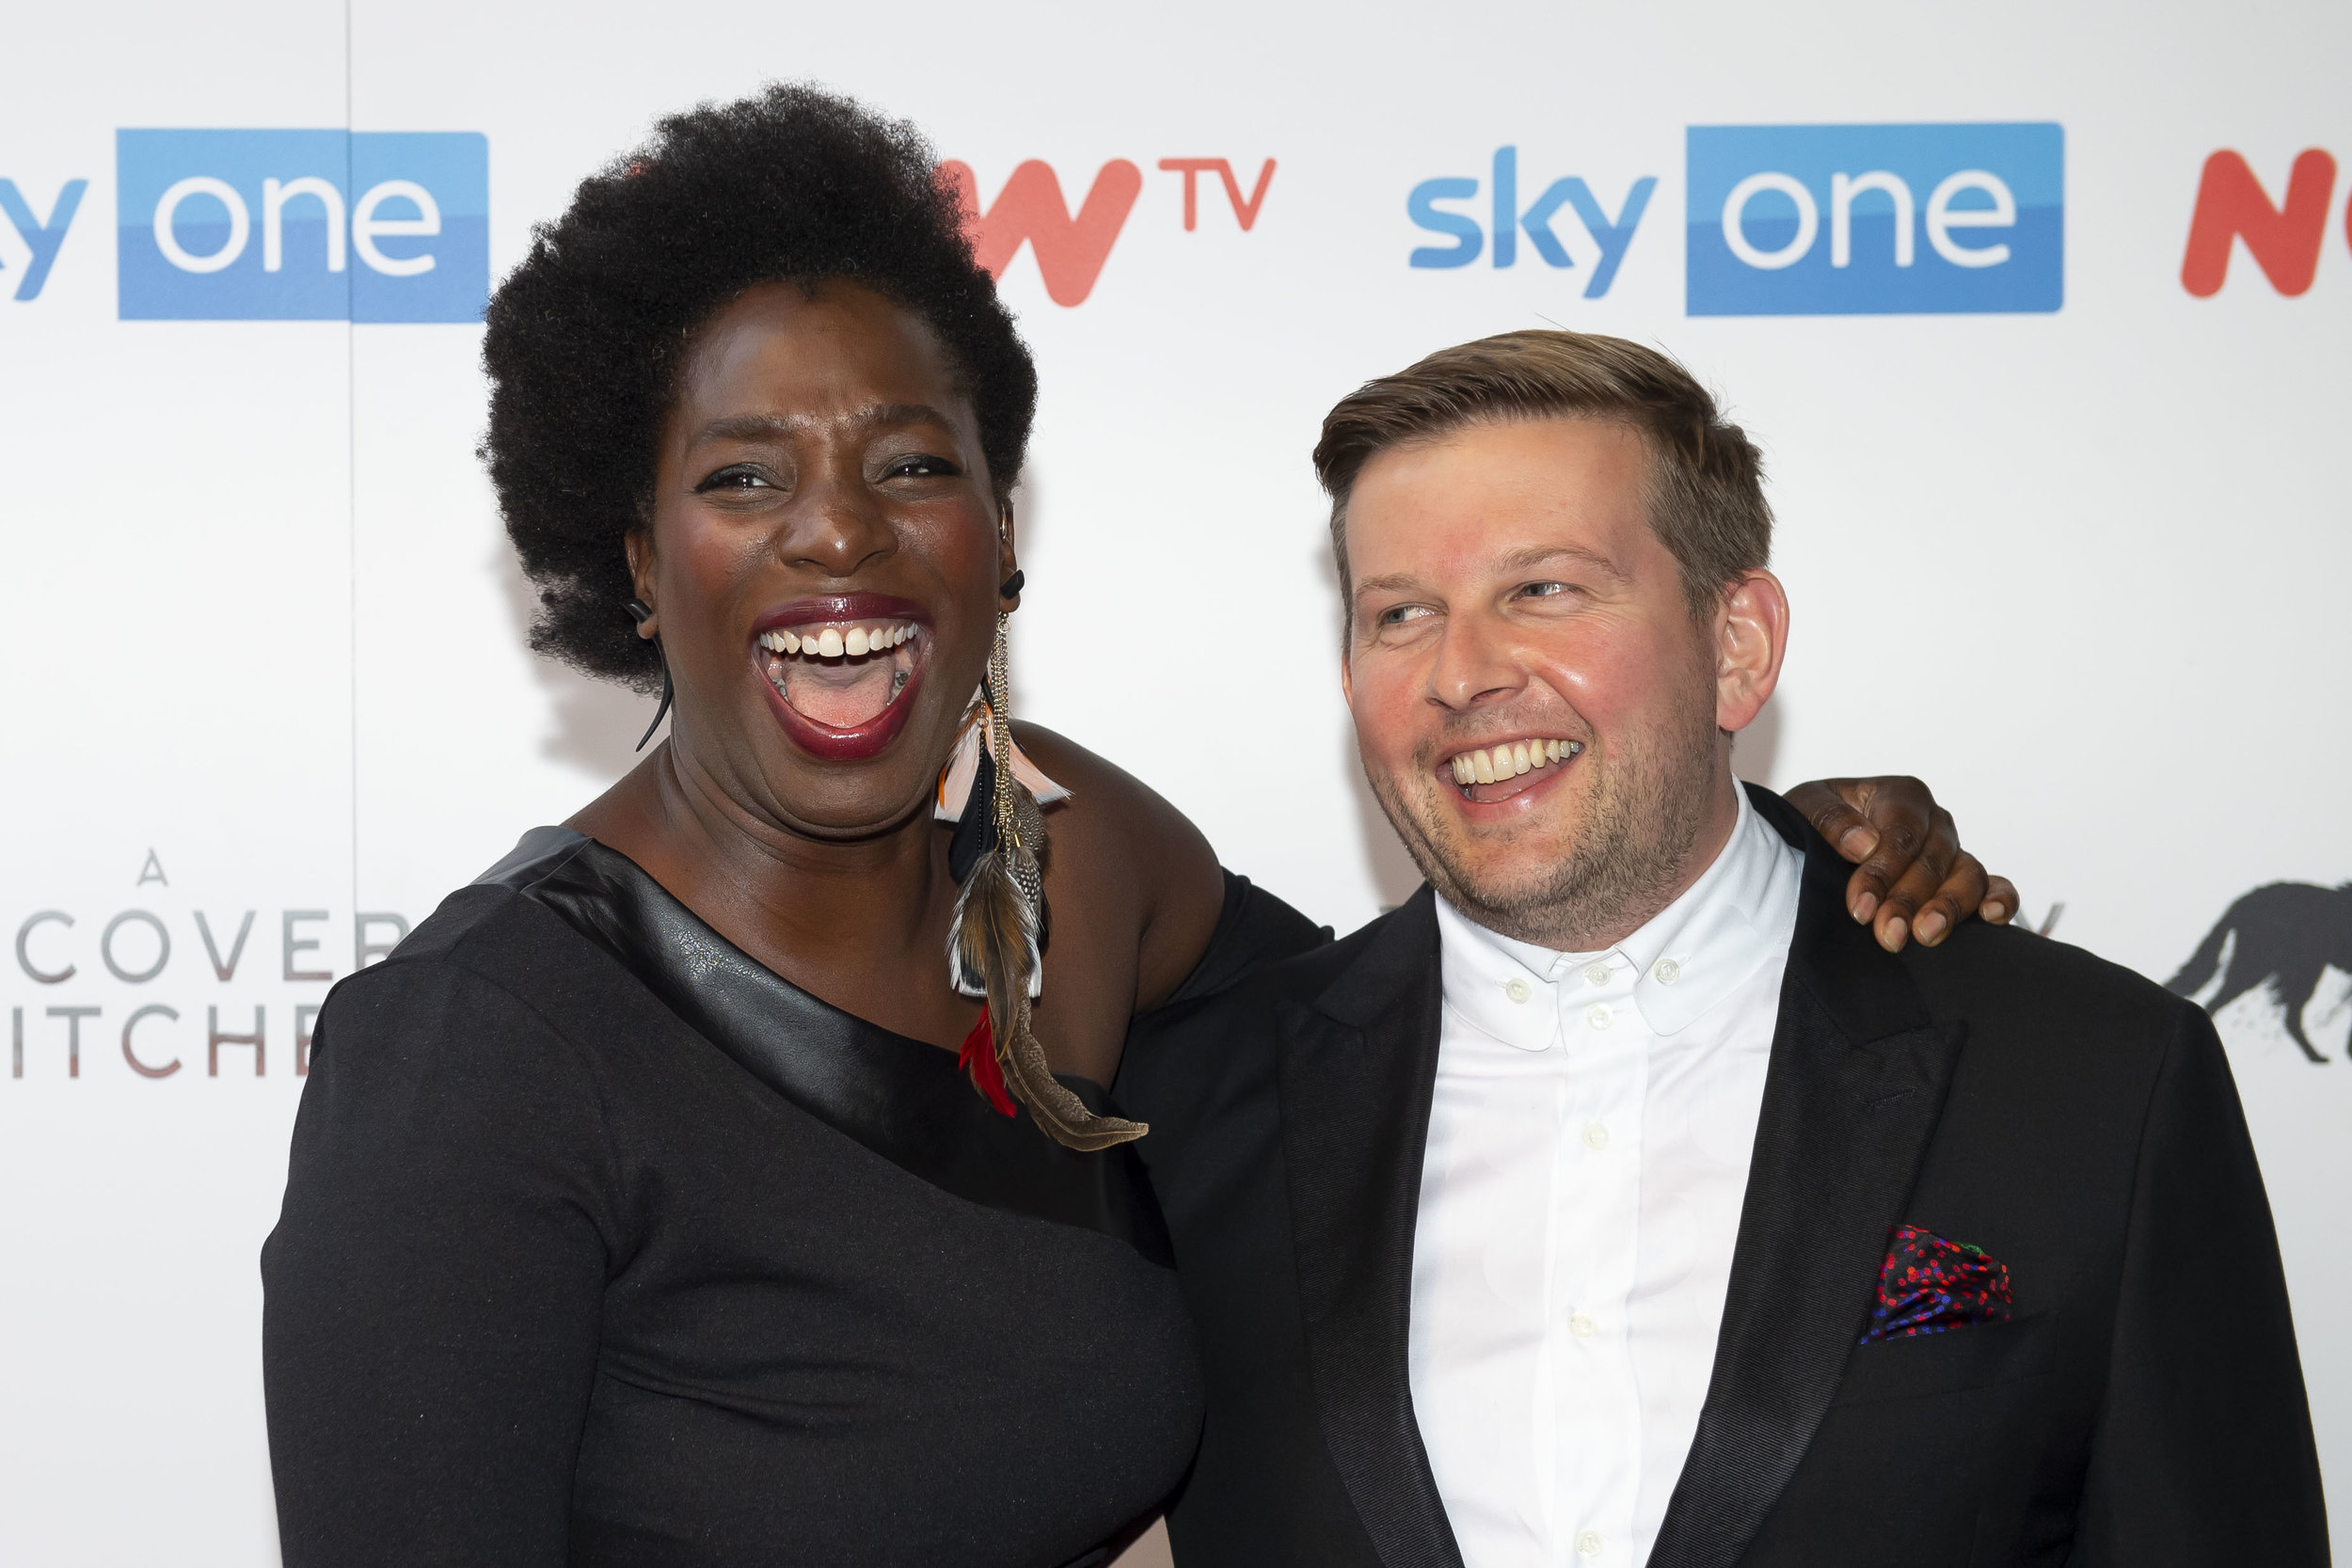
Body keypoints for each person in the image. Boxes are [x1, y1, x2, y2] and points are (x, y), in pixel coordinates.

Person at [260, 87, 2014, 1568]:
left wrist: (1769, 852)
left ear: (1000, 531)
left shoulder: (1071, 851)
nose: (838, 536)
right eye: (741, 478)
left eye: (912, 463)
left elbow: (1440, 1041)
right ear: (636, 564)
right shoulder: (476, 1056)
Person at [1117, 329, 2330, 1568]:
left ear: (1736, 644)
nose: (1462, 672)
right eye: (1401, 613)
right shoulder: (1183, 1120)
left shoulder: (2097, 1082)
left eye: (1543, 588)